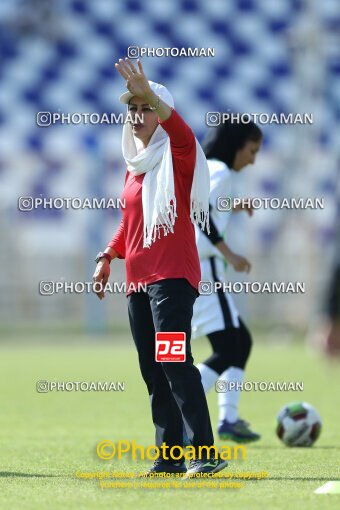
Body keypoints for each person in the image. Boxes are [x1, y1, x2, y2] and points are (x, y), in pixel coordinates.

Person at [92, 58, 228, 477]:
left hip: (172, 278)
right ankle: (168, 459)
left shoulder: (179, 154)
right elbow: (130, 222)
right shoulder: (135, 167)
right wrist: (108, 256)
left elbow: (183, 132)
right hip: (138, 283)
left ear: (160, 111)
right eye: (132, 108)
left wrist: (154, 97)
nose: (136, 115)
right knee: (153, 370)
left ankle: (203, 453)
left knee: (173, 361)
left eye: (145, 107)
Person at [191, 117, 263, 443]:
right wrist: (229, 252)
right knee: (228, 347)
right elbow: (199, 215)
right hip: (206, 272)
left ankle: (228, 419)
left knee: (240, 343)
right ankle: (181, 410)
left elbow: (197, 208)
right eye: (252, 150)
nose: (253, 159)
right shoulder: (219, 171)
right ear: (236, 145)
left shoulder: (208, 169)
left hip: (200, 271)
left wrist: (232, 206)